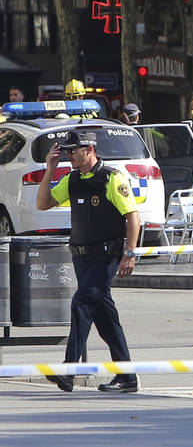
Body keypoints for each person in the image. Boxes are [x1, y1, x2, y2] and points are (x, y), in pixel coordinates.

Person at [34, 130, 140, 393]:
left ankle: (69, 370)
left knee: (81, 303)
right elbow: (43, 203)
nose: (69, 155)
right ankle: (127, 377)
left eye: (73, 150)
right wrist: (50, 168)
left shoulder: (111, 178)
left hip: (105, 256)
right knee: (105, 319)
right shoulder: (72, 179)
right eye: (67, 151)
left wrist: (130, 253)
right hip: (81, 257)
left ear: (89, 149)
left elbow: (133, 217)